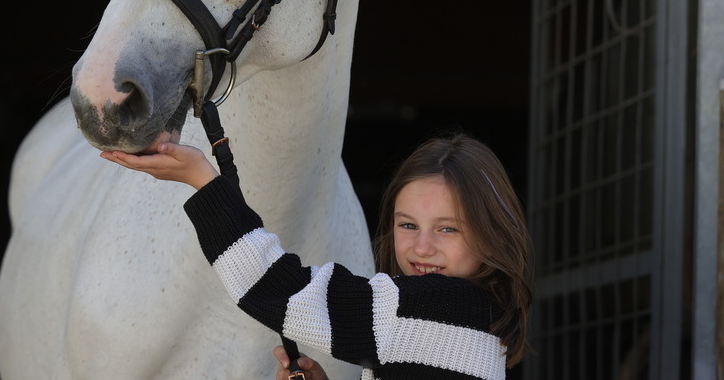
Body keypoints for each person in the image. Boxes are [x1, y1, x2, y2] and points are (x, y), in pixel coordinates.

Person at [100, 132, 532, 379]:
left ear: (491, 234)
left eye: (448, 228)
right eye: (407, 225)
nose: (422, 247)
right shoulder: (482, 319)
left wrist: (203, 182)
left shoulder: (443, 306)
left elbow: (276, 288)